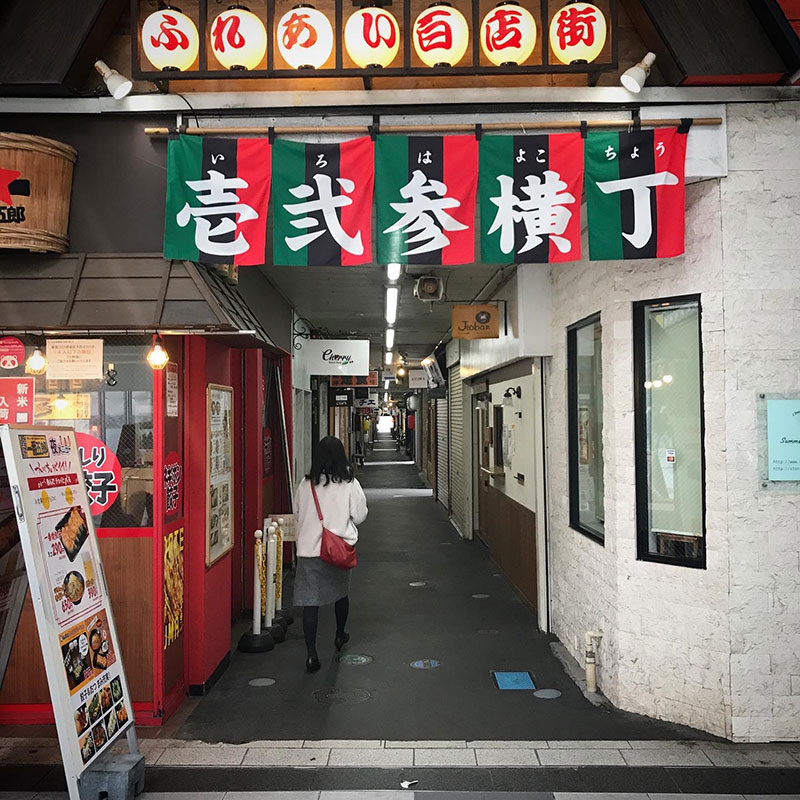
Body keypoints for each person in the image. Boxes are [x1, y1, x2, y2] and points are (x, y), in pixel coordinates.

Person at [294, 436, 368, 673]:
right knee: (340, 594)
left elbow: (296, 513)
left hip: (309, 551)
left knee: (310, 603)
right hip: (337, 550)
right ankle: (339, 634)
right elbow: (360, 515)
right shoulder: (349, 484)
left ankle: (311, 654)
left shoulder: (305, 485)